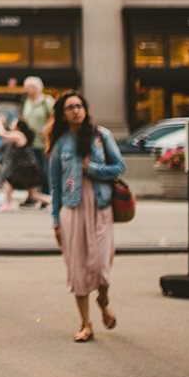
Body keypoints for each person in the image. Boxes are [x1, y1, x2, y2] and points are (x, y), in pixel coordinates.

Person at [47, 91, 126, 343]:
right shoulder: (60, 144)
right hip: (72, 209)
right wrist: (55, 222)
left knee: (102, 266)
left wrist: (92, 168)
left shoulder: (101, 136)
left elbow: (120, 167)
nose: (76, 111)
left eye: (79, 106)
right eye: (70, 107)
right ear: (62, 114)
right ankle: (85, 323)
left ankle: (103, 301)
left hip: (100, 207)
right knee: (78, 268)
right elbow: (56, 186)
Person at [20, 76, 55, 204]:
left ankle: (47, 196)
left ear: (35, 88)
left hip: (43, 142)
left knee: (45, 169)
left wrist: (46, 129)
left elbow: (55, 117)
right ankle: (32, 195)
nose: (25, 90)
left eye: (27, 87)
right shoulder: (27, 101)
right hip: (30, 141)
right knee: (31, 170)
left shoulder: (47, 101)